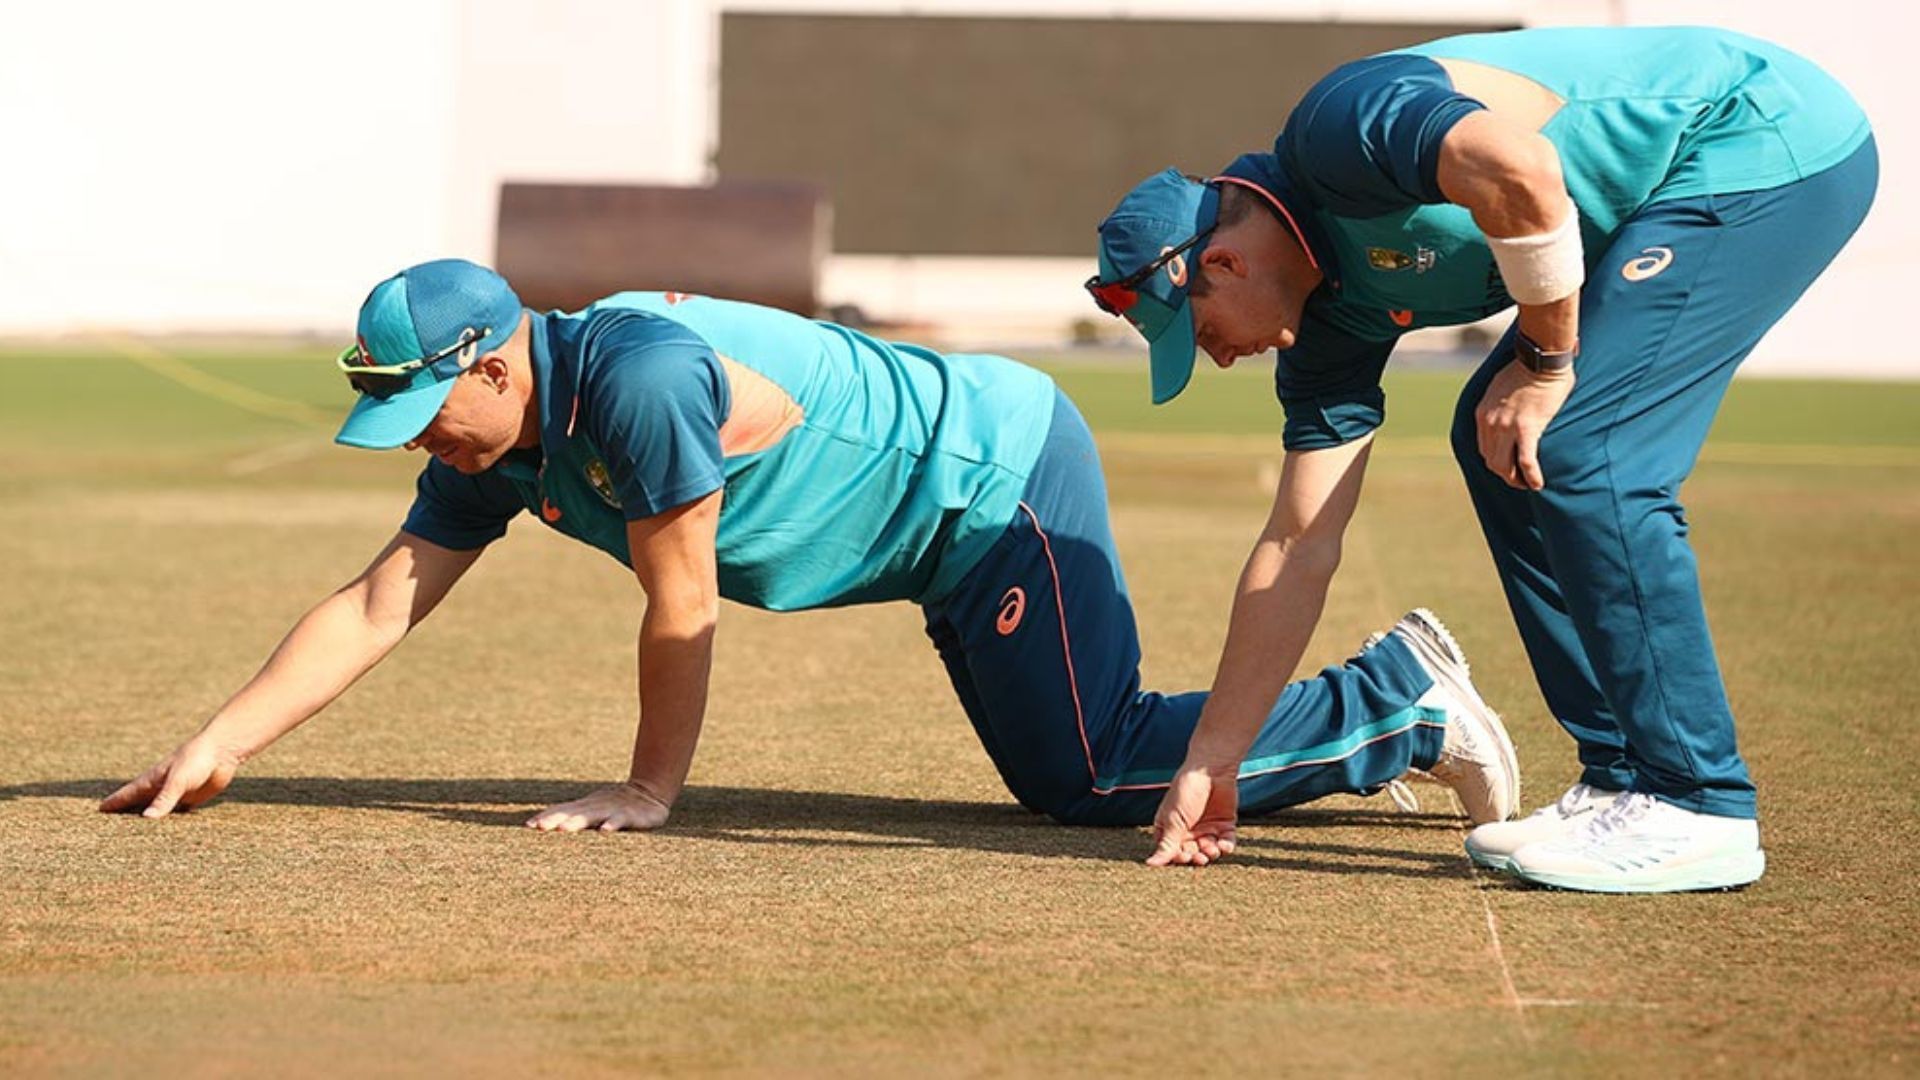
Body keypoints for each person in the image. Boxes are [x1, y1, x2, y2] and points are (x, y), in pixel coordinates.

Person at [101, 259, 1518, 843]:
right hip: (942, 539)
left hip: (994, 480)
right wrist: (220, 742)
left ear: (490, 363)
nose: (425, 443)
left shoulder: (637, 381)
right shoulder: (507, 435)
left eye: (428, 411)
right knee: (1070, 771)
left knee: (1092, 772)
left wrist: (652, 788)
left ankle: (1399, 705)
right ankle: (1382, 705)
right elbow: (381, 598)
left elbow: (681, 604)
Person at [1087, 25, 1876, 890]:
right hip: (1670, 187)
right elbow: (1298, 542)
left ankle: (1698, 802)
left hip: (1757, 137)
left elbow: (1522, 173)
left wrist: (1543, 363)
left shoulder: (1339, 131)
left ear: (1226, 261)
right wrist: (1216, 755)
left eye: (1200, 334)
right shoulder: (1326, 329)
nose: (1219, 358)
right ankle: (1622, 776)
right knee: (1494, 433)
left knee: (1585, 444)